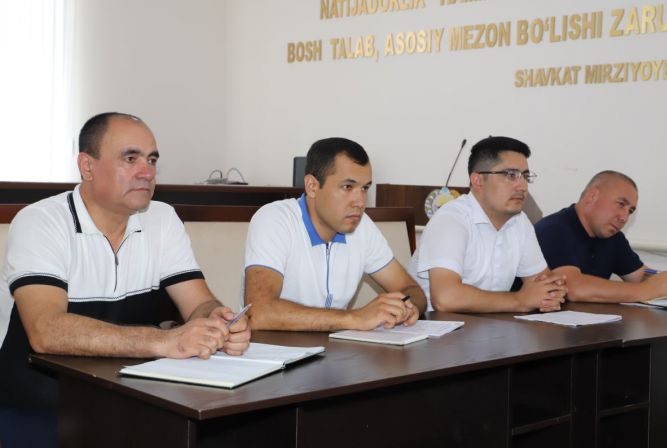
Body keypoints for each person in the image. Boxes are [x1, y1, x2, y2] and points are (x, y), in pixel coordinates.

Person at [0, 113, 251, 447]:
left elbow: (199, 303)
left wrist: (216, 321)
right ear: (87, 166)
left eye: (152, 160)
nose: (147, 172)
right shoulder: (41, 222)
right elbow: (46, 331)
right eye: (130, 159)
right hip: (41, 404)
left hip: (132, 397)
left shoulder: (162, 218)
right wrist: (166, 341)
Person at [244, 137, 427, 331]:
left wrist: (407, 307)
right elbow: (259, 312)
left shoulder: (362, 226)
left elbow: (411, 289)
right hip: (276, 348)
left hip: (335, 347)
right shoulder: (275, 220)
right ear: (312, 186)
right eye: (347, 187)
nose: (360, 202)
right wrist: (354, 318)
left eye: (364, 188)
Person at [408, 136, 566, 313]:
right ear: (478, 180)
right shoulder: (451, 219)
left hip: (490, 324)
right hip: (438, 325)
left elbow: (542, 283)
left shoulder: (520, 221)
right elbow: (446, 298)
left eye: (525, 176)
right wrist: (520, 300)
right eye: (511, 175)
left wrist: (551, 293)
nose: (522, 186)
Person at [535, 170, 667, 302]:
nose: (624, 218)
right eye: (621, 204)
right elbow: (573, 288)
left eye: (630, 211)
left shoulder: (612, 236)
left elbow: (641, 275)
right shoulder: (553, 229)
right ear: (592, 195)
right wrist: (647, 290)